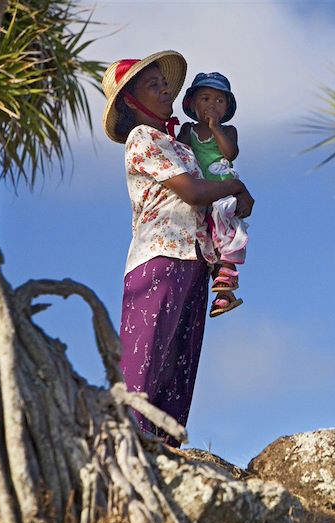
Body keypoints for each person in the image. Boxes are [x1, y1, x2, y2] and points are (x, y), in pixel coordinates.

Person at [101, 50, 254, 446]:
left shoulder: (180, 143)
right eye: (153, 86)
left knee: (179, 363)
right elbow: (192, 191)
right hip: (160, 258)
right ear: (130, 103)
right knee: (147, 358)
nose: (165, 89)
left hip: (194, 258)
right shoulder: (143, 137)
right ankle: (130, 447)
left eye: (164, 83)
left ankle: (166, 452)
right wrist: (235, 187)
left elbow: (209, 180)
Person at [178, 72, 247, 318]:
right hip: (199, 193)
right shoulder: (188, 130)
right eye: (205, 99)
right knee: (207, 242)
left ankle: (225, 285)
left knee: (225, 234)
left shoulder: (228, 131)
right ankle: (223, 293)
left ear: (227, 107)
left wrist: (215, 127)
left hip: (222, 192)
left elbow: (230, 154)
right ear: (193, 105)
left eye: (219, 101)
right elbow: (179, 156)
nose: (212, 105)